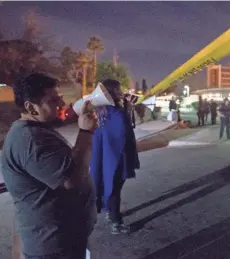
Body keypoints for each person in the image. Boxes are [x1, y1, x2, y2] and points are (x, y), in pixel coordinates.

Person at [1, 73, 97, 259]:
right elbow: (71, 179)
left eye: (59, 98)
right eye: (53, 100)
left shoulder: (36, 131)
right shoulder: (31, 140)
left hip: (60, 241)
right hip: (52, 248)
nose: (60, 104)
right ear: (30, 107)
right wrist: (85, 132)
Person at [90, 79, 140, 235]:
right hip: (117, 157)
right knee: (114, 188)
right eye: (118, 90)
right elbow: (125, 132)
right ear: (111, 92)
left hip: (107, 156)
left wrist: (127, 106)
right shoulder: (115, 113)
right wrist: (128, 108)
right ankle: (116, 222)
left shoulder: (101, 112)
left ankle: (109, 212)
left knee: (108, 184)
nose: (121, 92)